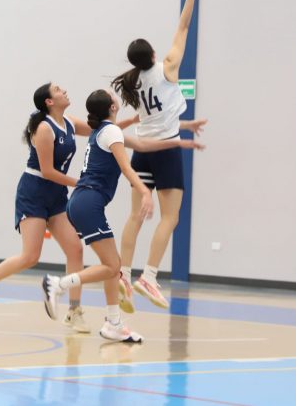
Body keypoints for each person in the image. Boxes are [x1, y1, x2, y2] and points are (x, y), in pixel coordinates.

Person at [0, 82, 137, 333]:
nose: (64, 90)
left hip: (57, 194)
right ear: (49, 101)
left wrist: (132, 120)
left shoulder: (69, 122)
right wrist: (81, 183)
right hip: (34, 192)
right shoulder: (44, 128)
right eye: (58, 90)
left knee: (75, 249)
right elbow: (47, 171)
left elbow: (101, 130)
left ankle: (74, 311)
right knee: (30, 256)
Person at [41, 89, 204, 342]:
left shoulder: (105, 130)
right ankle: (58, 284)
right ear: (113, 107)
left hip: (82, 202)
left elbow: (142, 145)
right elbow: (127, 168)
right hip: (88, 202)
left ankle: (113, 323)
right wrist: (145, 192)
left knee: (112, 267)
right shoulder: (111, 132)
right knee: (112, 266)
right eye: (114, 98)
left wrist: (178, 142)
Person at [110, 0, 207, 311]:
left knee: (135, 216)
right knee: (170, 218)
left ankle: (123, 274)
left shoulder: (134, 81)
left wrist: (185, 124)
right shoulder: (167, 68)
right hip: (164, 151)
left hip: (142, 150)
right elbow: (183, 27)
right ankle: (149, 277)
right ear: (152, 54)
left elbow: (157, 116)